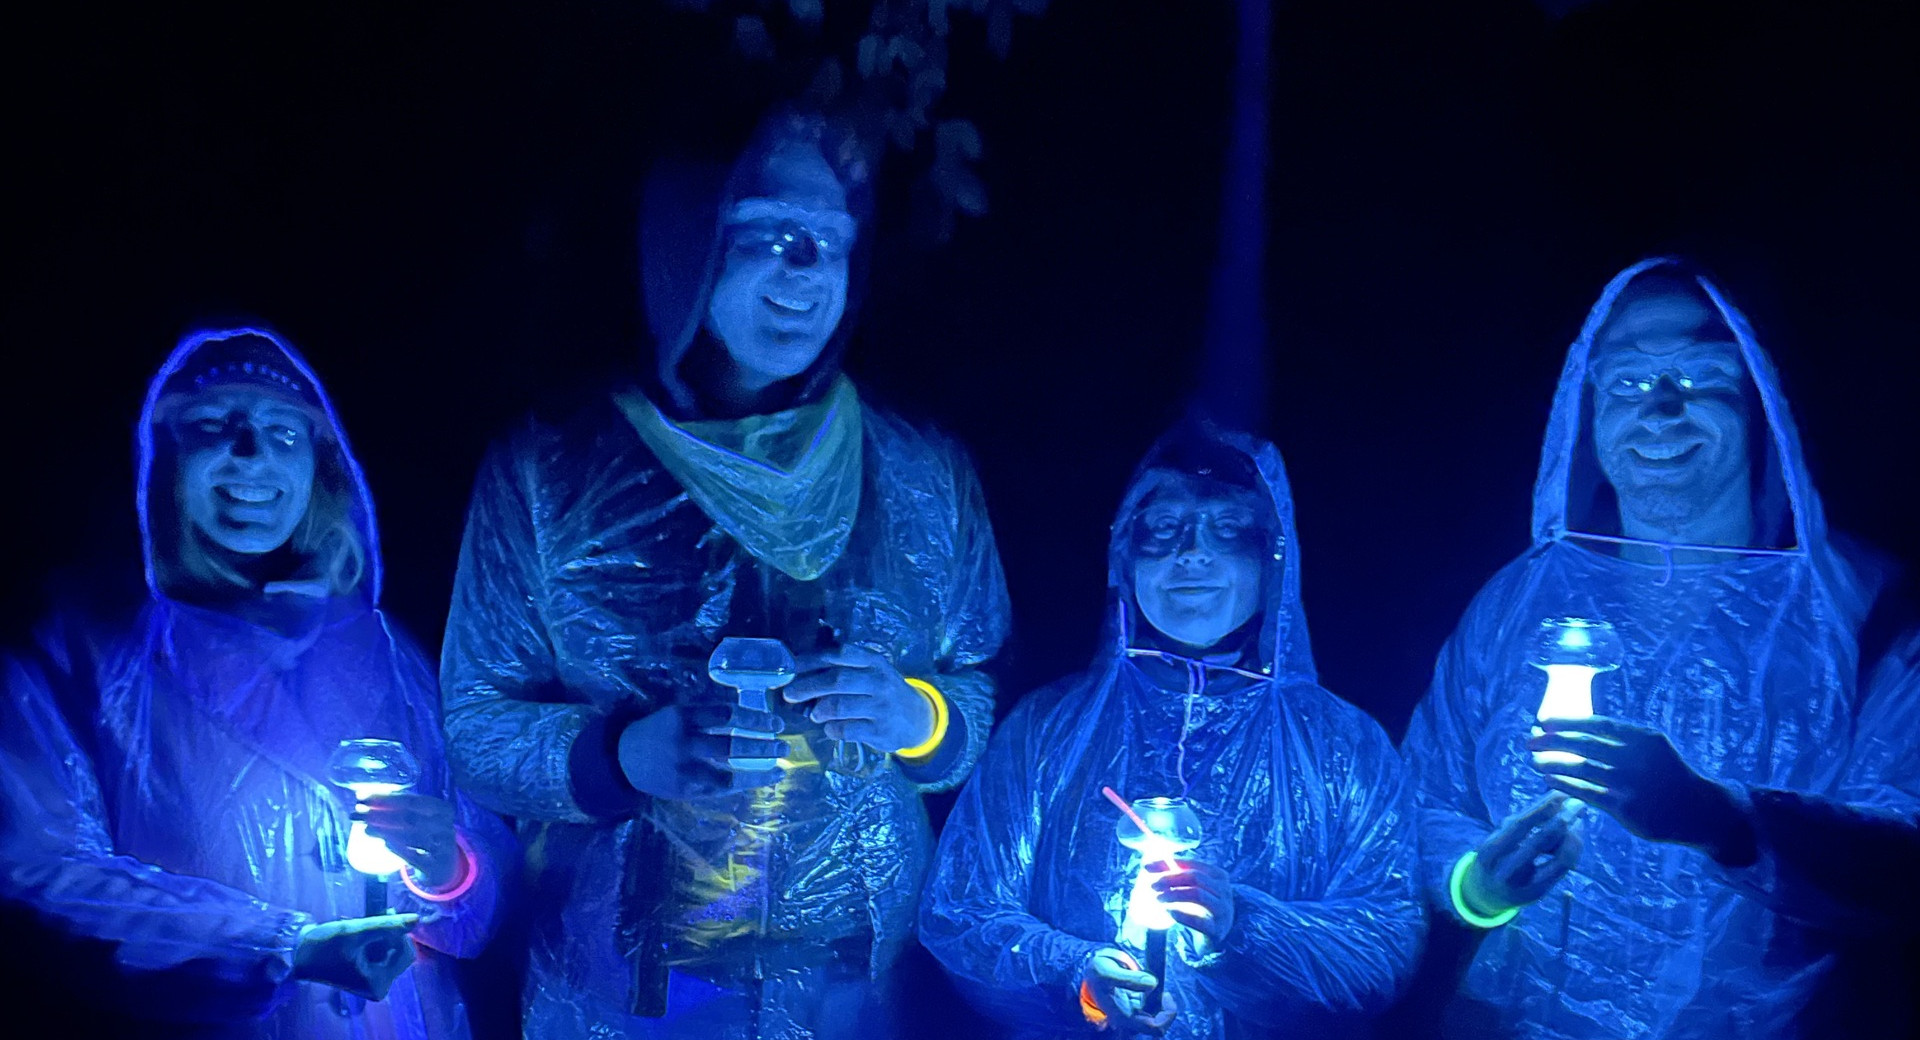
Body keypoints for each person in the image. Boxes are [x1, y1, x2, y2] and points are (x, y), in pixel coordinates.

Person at [439, 109, 1009, 1040]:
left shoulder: (918, 471)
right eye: (768, 235)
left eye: (830, 244)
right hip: (633, 984)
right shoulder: (552, 470)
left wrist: (920, 716)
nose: (806, 272)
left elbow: (978, 685)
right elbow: (474, 723)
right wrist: (621, 755)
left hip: (851, 976)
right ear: (687, 244)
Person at [1401, 257, 1900, 1038]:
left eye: (1700, 376)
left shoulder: (1864, 613)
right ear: (1588, 410)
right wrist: (1476, 885)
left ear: (1762, 395)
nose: (1661, 410)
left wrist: (1724, 821)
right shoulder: (1519, 603)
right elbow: (1427, 795)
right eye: (1629, 383)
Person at [0, 327, 507, 1039]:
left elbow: (483, 863)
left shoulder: (381, 649)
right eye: (214, 426)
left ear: (321, 467)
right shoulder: (77, 654)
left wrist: (449, 868)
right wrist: (279, 949)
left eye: (283, 432)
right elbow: (35, 875)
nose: (252, 453)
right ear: (162, 458)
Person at [920, 421, 1423, 1039]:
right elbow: (962, 912)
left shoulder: (1344, 748)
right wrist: (1081, 975)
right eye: (1164, 529)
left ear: (1273, 560)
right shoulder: (1046, 733)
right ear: (1125, 556)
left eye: (1229, 529)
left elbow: (1383, 943)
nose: (1193, 553)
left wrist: (1243, 927)